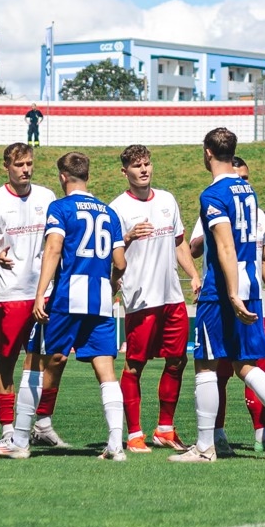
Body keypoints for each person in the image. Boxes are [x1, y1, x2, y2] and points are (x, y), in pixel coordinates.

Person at [173, 126, 265, 462]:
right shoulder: (248, 192)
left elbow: (225, 245)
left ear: (207, 152)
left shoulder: (213, 195)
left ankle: (206, 446)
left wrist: (232, 293)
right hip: (251, 284)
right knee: (244, 365)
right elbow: (258, 247)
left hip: (223, 290)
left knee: (206, 365)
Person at [0, 152, 135, 460]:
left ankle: (18, 441)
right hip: (99, 300)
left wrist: (40, 292)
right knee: (106, 370)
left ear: (62, 177)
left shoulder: (60, 207)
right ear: (87, 175)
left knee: (38, 361)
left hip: (68, 296)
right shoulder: (109, 212)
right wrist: (110, 283)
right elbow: (121, 263)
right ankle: (115, 445)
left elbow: (54, 248)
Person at [0, 143, 56, 447]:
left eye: (29, 163)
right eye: (19, 164)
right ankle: (8, 426)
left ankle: (41, 424)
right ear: (7, 166)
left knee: (44, 359)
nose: (26, 169)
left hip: (43, 292)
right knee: (6, 360)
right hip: (10, 293)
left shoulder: (47, 197)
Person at [109, 144, 191, 451]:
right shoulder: (117, 208)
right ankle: (134, 434)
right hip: (141, 297)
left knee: (178, 359)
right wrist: (128, 237)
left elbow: (180, 242)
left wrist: (193, 275)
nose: (144, 170)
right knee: (135, 365)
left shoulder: (168, 199)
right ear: (125, 172)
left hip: (171, 294)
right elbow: (111, 253)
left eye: (147, 164)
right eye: (136, 166)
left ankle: (165, 429)